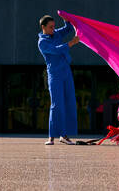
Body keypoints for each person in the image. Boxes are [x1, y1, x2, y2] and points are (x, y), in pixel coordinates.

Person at [37, 15, 80, 145]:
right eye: (50, 27)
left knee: (69, 102)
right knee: (56, 105)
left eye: (54, 26)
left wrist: (66, 18)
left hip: (66, 71)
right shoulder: (42, 42)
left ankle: (64, 135)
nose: (53, 29)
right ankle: (51, 137)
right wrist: (71, 43)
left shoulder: (55, 33)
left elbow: (67, 28)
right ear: (43, 27)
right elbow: (56, 50)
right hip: (54, 74)